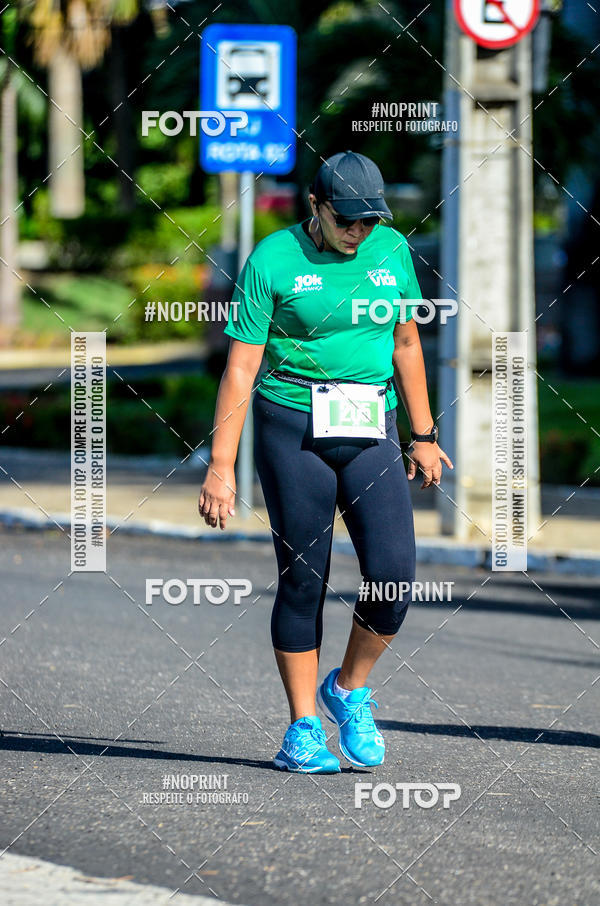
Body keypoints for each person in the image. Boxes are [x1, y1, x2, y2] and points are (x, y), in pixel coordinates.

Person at [199, 150, 453, 773]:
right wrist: (221, 464)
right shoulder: (274, 259)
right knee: (304, 578)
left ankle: (348, 689)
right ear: (315, 207)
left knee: (394, 576)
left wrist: (423, 434)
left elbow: (406, 342)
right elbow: (240, 366)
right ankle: (303, 728)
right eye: (346, 219)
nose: (358, 232)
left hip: (371, 427)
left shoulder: (391, 252)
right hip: (292, 427)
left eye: (368, 221)